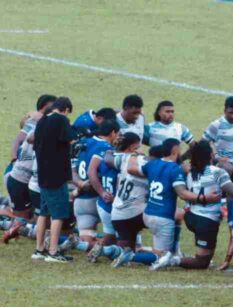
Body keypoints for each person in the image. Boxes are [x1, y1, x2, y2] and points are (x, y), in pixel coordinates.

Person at [154, 140, 233, 270]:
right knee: (202, 263)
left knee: (208, 253)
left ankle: (200, 254)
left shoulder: (189, 171)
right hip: (205, 221)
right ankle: (172, 260)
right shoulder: (217, 172)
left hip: (190, 217)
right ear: (210, 155)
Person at [127, 139, 221, 269]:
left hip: (148, 214)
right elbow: (182, 194)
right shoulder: (175, 169)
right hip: (163, 218)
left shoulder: (153, 164)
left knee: (179, 215)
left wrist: (133, 154)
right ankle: (128, 255)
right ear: (175, 150)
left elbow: (131, 169)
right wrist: (205, 197)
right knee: (162, 257)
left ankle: (174, 251)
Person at [32, 97, 75, 262]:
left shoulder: (42, 121)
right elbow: (71, 138)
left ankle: (39, 249)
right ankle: (53, 251)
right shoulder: (61, 120)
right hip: (56, 176)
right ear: (65, 109)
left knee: (44, 212)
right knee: (58, 214)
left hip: (42, 174)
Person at [84, 120, 121, 262]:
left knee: (107, 236)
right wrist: (102, 192)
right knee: (119, 240)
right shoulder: (106, 148)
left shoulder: (88, 142)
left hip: (85, 197)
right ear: (113, 133)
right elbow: (91, 171)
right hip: (103, 202)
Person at [202, 96, 233, 185]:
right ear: (225, 111)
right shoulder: (216, 125)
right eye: (230, 112)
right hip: (223, 167)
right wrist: (216, 157)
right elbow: (203, 144)